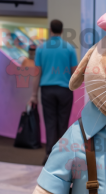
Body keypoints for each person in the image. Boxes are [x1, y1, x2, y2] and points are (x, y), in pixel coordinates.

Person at [28, 19, 78, 164]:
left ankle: (49, 154)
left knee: (50, 122)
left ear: (50, 30)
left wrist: (33, 95)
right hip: (65, 90)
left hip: (47, 90)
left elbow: (37, 73)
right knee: (63, 123)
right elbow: (75, 72)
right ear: (62, 31)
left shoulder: (41, 48)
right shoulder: (69, 48)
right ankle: (61, 157)